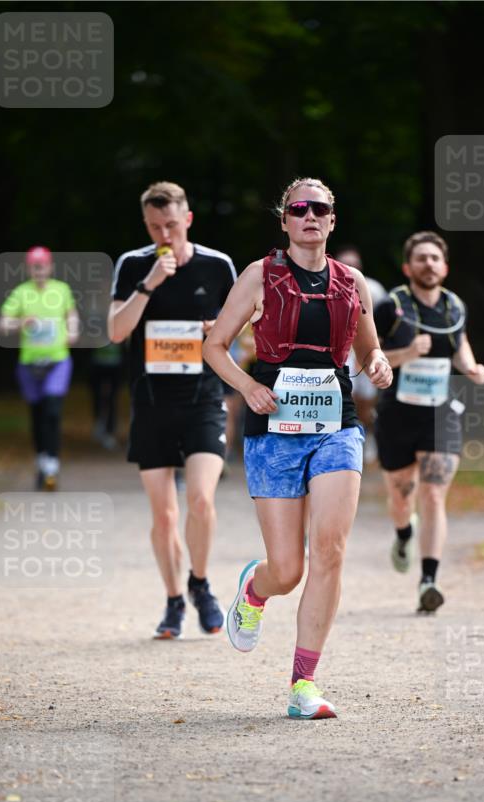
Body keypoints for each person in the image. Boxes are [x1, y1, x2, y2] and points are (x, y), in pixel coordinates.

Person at [202, 177, 392, 719]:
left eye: (320, 208)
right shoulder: (260, 275)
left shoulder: (351, 281)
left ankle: (303, 685)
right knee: (288, 569)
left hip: (337, 426)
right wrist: (248, 386)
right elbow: (214, 345)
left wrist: (378, 364)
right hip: (274, 428)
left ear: (333, 220)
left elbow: (371, 349)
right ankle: (257, 589)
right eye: (298, 208)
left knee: (329, 551)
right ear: (284, 220)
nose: (310, 216)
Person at [108, 181, 237, 639]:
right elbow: (118, 331)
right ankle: (173, 600)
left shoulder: (218, 265)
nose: (164, 233)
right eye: (154, 226)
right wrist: (149, 285)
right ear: (147, 225)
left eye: (171, 224)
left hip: (204, 397)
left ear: (188, 220)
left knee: (201, 499)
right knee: (163, 515)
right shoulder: (133, 265)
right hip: (151, 402)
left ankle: (200, 583)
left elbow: (250, 333)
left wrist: (218, 329)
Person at [373, 232, 484, 612]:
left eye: (435, 259)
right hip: (397, 414)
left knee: (435, 493)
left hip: (440, 413)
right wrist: (408, 351)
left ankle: (428, 581)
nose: (429, 264)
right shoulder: (392, 306)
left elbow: (460, 344)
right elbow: (368, 358)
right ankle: (404, 533)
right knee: (401, 497)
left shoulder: (455, 306)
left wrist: (471, 367)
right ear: (408, 267)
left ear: (445, 267)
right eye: (421, 258)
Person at [0, 246, 79, 490]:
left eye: (43, 265)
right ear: (29, 268)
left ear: (50, 266)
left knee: (53, 411)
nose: (39, 269)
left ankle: (52, 465)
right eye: (35, 265)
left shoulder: (61, 289)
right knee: (37, 415)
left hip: (58, 361)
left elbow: (71, 314)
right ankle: (42, 461)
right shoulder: (21, 293)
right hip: (29, 364)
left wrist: (73, 331)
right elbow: (3, 324)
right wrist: (21, 322)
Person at [335, 245, 386, 463]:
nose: (350, 267)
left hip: (365, 347)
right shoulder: (328, 283)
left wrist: (371, 353)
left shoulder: (371, 287)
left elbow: (381, 322)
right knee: (347, 398)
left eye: (354, 264)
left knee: (368, 402)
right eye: (346, 263)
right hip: (342, 350)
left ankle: (370, 439)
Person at [89, 341, 123, 450]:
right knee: (98, 397)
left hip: (115, 364)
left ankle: (109, 431)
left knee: (112, 399)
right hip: (97, 363)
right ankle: (99, 423)